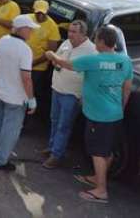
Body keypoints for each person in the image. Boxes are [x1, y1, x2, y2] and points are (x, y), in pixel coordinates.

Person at [46, 26, 133, 204]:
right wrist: (121, 108)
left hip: (97, 115)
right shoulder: (125, 61)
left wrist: (52, 55)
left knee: (97, 153)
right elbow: (127, 88)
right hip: (115, 114)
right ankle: (97, 177)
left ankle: (101, 190)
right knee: (107, 151)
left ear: (101, 41)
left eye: (97, 39)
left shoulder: (93, 60)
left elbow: (67, 65)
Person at [42, 20, 96, 169]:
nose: (69, 34)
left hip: (72, 94)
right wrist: (54, 60)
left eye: (74, 32)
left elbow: (93, 76)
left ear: (83, 34)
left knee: (64, 125)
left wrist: (84, 96)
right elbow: (56, 60)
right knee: (54, 120)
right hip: (57, 88)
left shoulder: (92, 51)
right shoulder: (66, 42)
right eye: (69, 31)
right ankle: (52, 147)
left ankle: (56, 155)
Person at [0, 15, 38, 171]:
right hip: (15, 97)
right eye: (30, 29)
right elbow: (26, 78)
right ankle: (1, 160)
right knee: (10, 129)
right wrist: (31, 99)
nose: (31, 32)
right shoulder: (25, 50)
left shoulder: (2, 40)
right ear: (22, 29)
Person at [27, 0, 60, 119]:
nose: (40, 15)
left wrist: (33, 63)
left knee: (32, 92)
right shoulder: (28, 19)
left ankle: (28, 119)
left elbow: (51, 51)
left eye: (43, 13)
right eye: (38, 13)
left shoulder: (52, 26)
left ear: (47, 12)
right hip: (24, 63)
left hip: (38, 67)